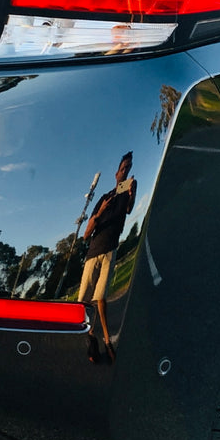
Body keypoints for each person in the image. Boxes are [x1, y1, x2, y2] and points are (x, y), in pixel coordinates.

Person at [77, 153, 136, 361]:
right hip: (94, 251)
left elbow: (128, 210)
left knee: (100, 297)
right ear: (116, 173)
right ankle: (91, 336)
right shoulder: (104, 197)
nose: (125, 172)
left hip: (110, 250)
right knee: (82, 301)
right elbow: (86, 234)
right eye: (123, 169)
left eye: (128, 168)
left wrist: (132, 194)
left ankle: (105, 340)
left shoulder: (128, 190)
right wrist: (101, 211)